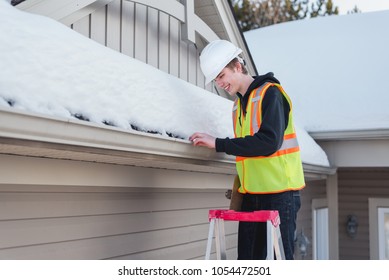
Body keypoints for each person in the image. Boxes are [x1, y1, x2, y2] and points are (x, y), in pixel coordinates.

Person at [189, 40, 305, 260]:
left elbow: (269, 142)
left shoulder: (271, 94)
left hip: (280, 195)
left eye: (221, 75)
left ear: (238, 66)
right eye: (215, 79)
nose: (219, 83)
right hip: (252, 195)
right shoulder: (237, 106)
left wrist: (219, 143)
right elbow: (248, 152)